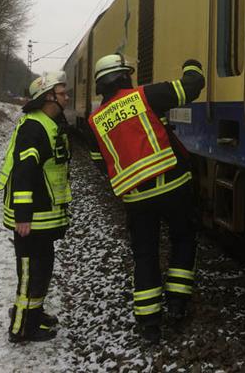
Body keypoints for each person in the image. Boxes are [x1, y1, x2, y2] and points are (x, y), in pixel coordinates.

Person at [87, 53, 204, 344]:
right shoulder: (144, 96)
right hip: (173, 186)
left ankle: (149, 323)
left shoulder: (95, 119)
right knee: (183, 238)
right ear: (124, 77)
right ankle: (177, 303)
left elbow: (98, 160)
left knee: (145, 255)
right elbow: (191, 87)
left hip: (136, 198)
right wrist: (192, 64)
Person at [0, 71, 72, 343]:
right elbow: (24, 172)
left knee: (42, 267)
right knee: (30, 272)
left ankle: (34, 313)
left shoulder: (47, 122)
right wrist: (23, 216)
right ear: (48, 97)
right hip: (32, 216)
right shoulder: (34, 128)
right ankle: (21, 328)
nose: (66, 96)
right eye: (62, 93)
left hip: (42, 214)